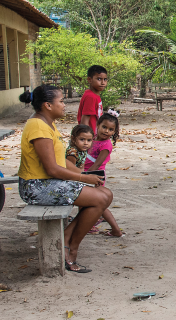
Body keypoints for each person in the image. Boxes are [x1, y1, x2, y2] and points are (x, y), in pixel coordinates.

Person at [18, 85, 112, 273]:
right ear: (47, 105)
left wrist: (85, 176)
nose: (64, 105)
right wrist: (82, 178)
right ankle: (70, 247)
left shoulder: (46, 123)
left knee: (106, 194)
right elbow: (52, 169)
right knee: (100, 198)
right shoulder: (38, 126)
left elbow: (61, 161)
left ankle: (66, 237)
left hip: (48, 182)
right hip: (37, 186)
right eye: (61, 101)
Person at [80, 111, 122, 237]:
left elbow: (97, 164)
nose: (106, 131)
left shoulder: (106, 145)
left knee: (96, 203)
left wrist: (85, 176)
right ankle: (114, 229)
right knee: (87, 202)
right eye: (104, 127)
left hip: (95, 175)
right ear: (98, 125)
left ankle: (93, 225)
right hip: (87, 174)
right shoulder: (92, 138)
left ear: (114, 132)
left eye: (111, 129)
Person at [77, 65, 108, 134]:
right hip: (90, 136)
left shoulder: (95, 95)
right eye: (99, 79)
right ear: (89, 80)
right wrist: (87, 138)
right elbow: (84, 122)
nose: (103, 82)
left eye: (105, 79)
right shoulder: (91, 97)